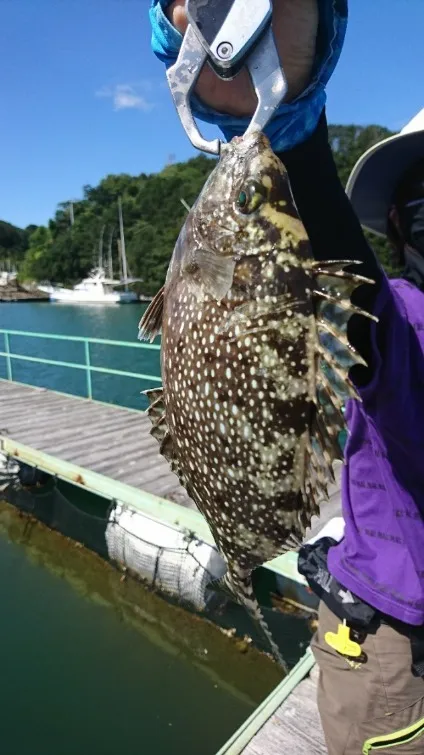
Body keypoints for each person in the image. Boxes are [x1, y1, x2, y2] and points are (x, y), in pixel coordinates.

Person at [149, 2, 424, 752]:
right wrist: (286, 107)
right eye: (422, 205)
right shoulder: (398, 315)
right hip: (397, 649)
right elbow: (369, 321)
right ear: (397, 227)